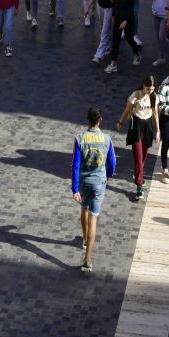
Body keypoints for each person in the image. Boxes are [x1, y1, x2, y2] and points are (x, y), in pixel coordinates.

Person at [72, 106, 117, 272]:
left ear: (87, 120)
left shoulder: (80, 138)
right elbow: (112, 163)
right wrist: (108, 175)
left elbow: (75, 166)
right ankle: (88, 260)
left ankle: (84, 238)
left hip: (84, 181)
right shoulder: (106, 139)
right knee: (94, 218)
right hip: (99, 183)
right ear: (100, 120)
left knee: (83, 207)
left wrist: (74, 189)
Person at [118, 73, 160, 200]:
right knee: (138, 156)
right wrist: (121, 122)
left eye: (152, 89)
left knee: (144, 155)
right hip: (136, 125)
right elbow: (126, 110)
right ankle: (139, 185)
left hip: (147, 127)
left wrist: (158, 131)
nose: (150, 91)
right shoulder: (135, 96)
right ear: (143, 86)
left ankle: (138, 174)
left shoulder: (154, 97)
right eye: (148, 89)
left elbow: (155, 114)